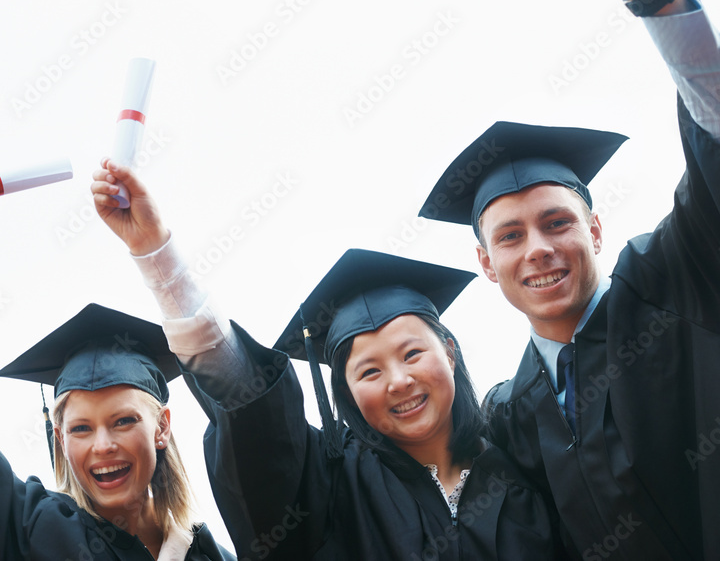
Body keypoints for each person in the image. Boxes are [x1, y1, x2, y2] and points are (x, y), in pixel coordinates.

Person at [418, 0, 720, 560]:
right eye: (511, 236)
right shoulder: (513, 415)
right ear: (486, 263)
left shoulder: (688, 281)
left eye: (557, 222)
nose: (540, 248)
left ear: (596, 228)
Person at [91, 159, 564, 560]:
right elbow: (249, 405)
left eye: (413, 353)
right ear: (347, 392)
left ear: (451, 353)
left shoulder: (521, 454)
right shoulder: (332, 486)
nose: (398, 381)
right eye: (370, 371)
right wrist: (156, 255)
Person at [0, 172, 234, 561]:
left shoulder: (211, 556)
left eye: (124, 421)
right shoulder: (33, 536)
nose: (102, 445)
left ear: (162, 426)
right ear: (60, 439)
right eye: (80, 428)